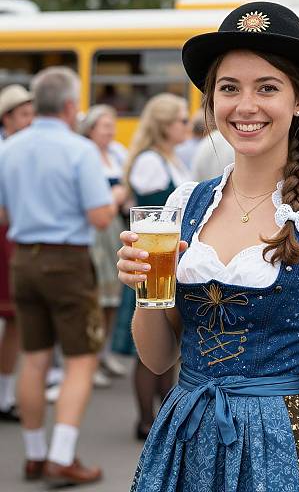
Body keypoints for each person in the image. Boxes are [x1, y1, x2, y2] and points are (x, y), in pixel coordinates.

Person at [118, 1, 299, 491]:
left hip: (282, 445)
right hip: (185, 437)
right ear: (211, 100)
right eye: (229, 88)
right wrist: (144, 291)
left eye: (267, 87)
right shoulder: (186, 204)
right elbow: (158, 358)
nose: (245, 106)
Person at [0, 67, 114, 486]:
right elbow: (100, 216)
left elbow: (3, 213)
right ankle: (62, 456)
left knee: (34, 357)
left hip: (23, 259)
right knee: (80, 360)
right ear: (69, 106)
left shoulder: (9, 147)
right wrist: (116, 197)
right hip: (66, 260)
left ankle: (34, 454)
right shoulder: (78, 149)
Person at [111, 92, 190, 441]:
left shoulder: (169, 158)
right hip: (151, 263)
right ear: (164, 125)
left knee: (169, 348)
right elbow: (148, 208)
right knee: (147, 353)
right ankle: (145, 420)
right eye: (182, 120)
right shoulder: (150, 161)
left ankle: (162, 414)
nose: (188, 126)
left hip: (168, 262)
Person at [79, 104, 129, 386]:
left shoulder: (116, 153)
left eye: (112, 126)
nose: (110, 131)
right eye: (104, 126)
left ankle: (106, 351)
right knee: (96, 296)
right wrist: (114, 197)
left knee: (113, 296)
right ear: (91, 129)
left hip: (114, 226)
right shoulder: (85, 155)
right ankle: (92, 356)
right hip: (96, 228)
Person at [0, 84, 34, 423]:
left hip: (11, 237)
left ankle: (4, 393)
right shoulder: (8, 150)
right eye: (24, 114)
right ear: (7, 117)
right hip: (6, 234)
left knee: (13, 321)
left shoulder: (20, 149)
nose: (30, 120)